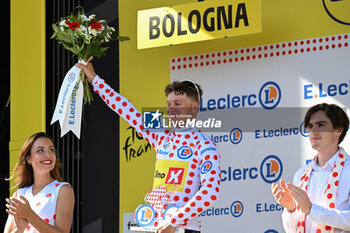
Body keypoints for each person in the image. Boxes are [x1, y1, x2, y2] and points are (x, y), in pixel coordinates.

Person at [76, 62, 220, 233]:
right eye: (168, 104)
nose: (171, 109)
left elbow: (211, 192)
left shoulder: (204, 144)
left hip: (183, 228)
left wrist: (174, 221)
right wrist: (95, 80)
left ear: (194, 106)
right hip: (154, 225)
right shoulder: (161, 135)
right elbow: (126, 109)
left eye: (178, 103)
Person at [271, 103, 350, 233]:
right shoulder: (301, 174)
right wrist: (291, 209)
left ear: (338, 130)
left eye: (321, 125)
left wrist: (312, 210)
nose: (313, 131)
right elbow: (291, 230)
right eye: (310, 126)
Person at [3, 132, 75, 233]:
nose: (48, 155)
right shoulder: (19, 194)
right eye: (40, 150)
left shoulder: (63, 190)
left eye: (51, 150)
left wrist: (29, 215)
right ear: (28, 158)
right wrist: (20, 229)